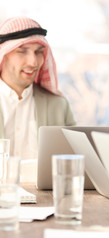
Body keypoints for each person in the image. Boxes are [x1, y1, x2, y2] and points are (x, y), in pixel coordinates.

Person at [0, 17, 75, 160]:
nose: (33, 62)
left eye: (39, 52)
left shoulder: (59, 106)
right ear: (3, 55)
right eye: (22, 51)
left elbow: (75, 162)